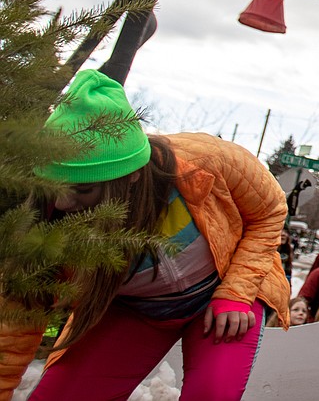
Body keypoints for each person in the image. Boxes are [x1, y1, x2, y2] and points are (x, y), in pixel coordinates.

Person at [0, 69, 291, 401]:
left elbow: (269, 211)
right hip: (134, 311)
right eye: (55, 188)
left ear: (133, 175)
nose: (64, 202)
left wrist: (236, 293)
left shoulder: (208, 161)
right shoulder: (46, 223)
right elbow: (14, 329)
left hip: (224, 297)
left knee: (211, 393)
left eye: (83, 188)